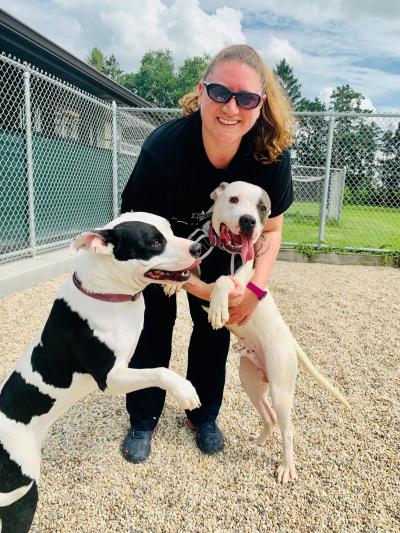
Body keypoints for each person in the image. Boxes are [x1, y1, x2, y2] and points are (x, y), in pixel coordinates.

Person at [120, 44, 295, 463]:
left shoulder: (269, 155)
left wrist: (253, 288)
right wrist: (193, 283)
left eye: (246, 98)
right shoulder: (164, 151)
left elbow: (271, 226)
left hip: (222, 249)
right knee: (155, 325)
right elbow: (140, 229)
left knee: (214, 330)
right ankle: (143, 417)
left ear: (260, 105)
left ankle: (202, 415)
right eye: (220, 92)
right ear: (201, 93)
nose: (231, 107)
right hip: (160, 249)